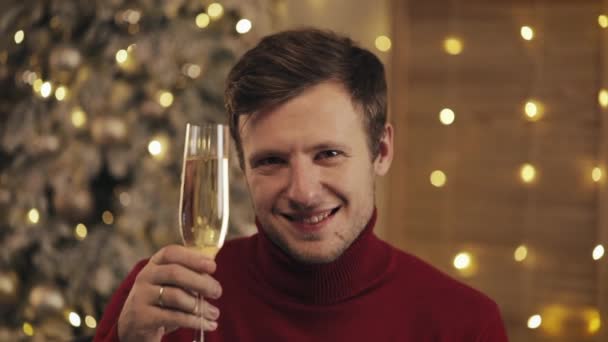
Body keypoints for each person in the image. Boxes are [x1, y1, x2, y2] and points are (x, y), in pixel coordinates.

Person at [94, 28, 508, 342]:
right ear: (242, 168)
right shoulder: (162, 299)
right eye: (271, 161)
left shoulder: (465, 324)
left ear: (381, 151)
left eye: (328, 154)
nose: (303, 192)